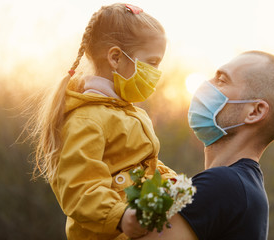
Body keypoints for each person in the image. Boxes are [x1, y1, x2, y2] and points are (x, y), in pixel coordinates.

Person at [28, 3, 176, 240]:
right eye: (153, 62)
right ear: (115, 57)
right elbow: (80, 188)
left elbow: (143, 167)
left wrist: (174, 183)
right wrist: (120, 215)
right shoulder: (86, 120)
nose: (157, 72)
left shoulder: (127, 112)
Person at [134, 50, 274, 240]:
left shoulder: (223, 186)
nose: (205, 85)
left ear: (255, 112)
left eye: (222, 80)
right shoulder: (243, 188)